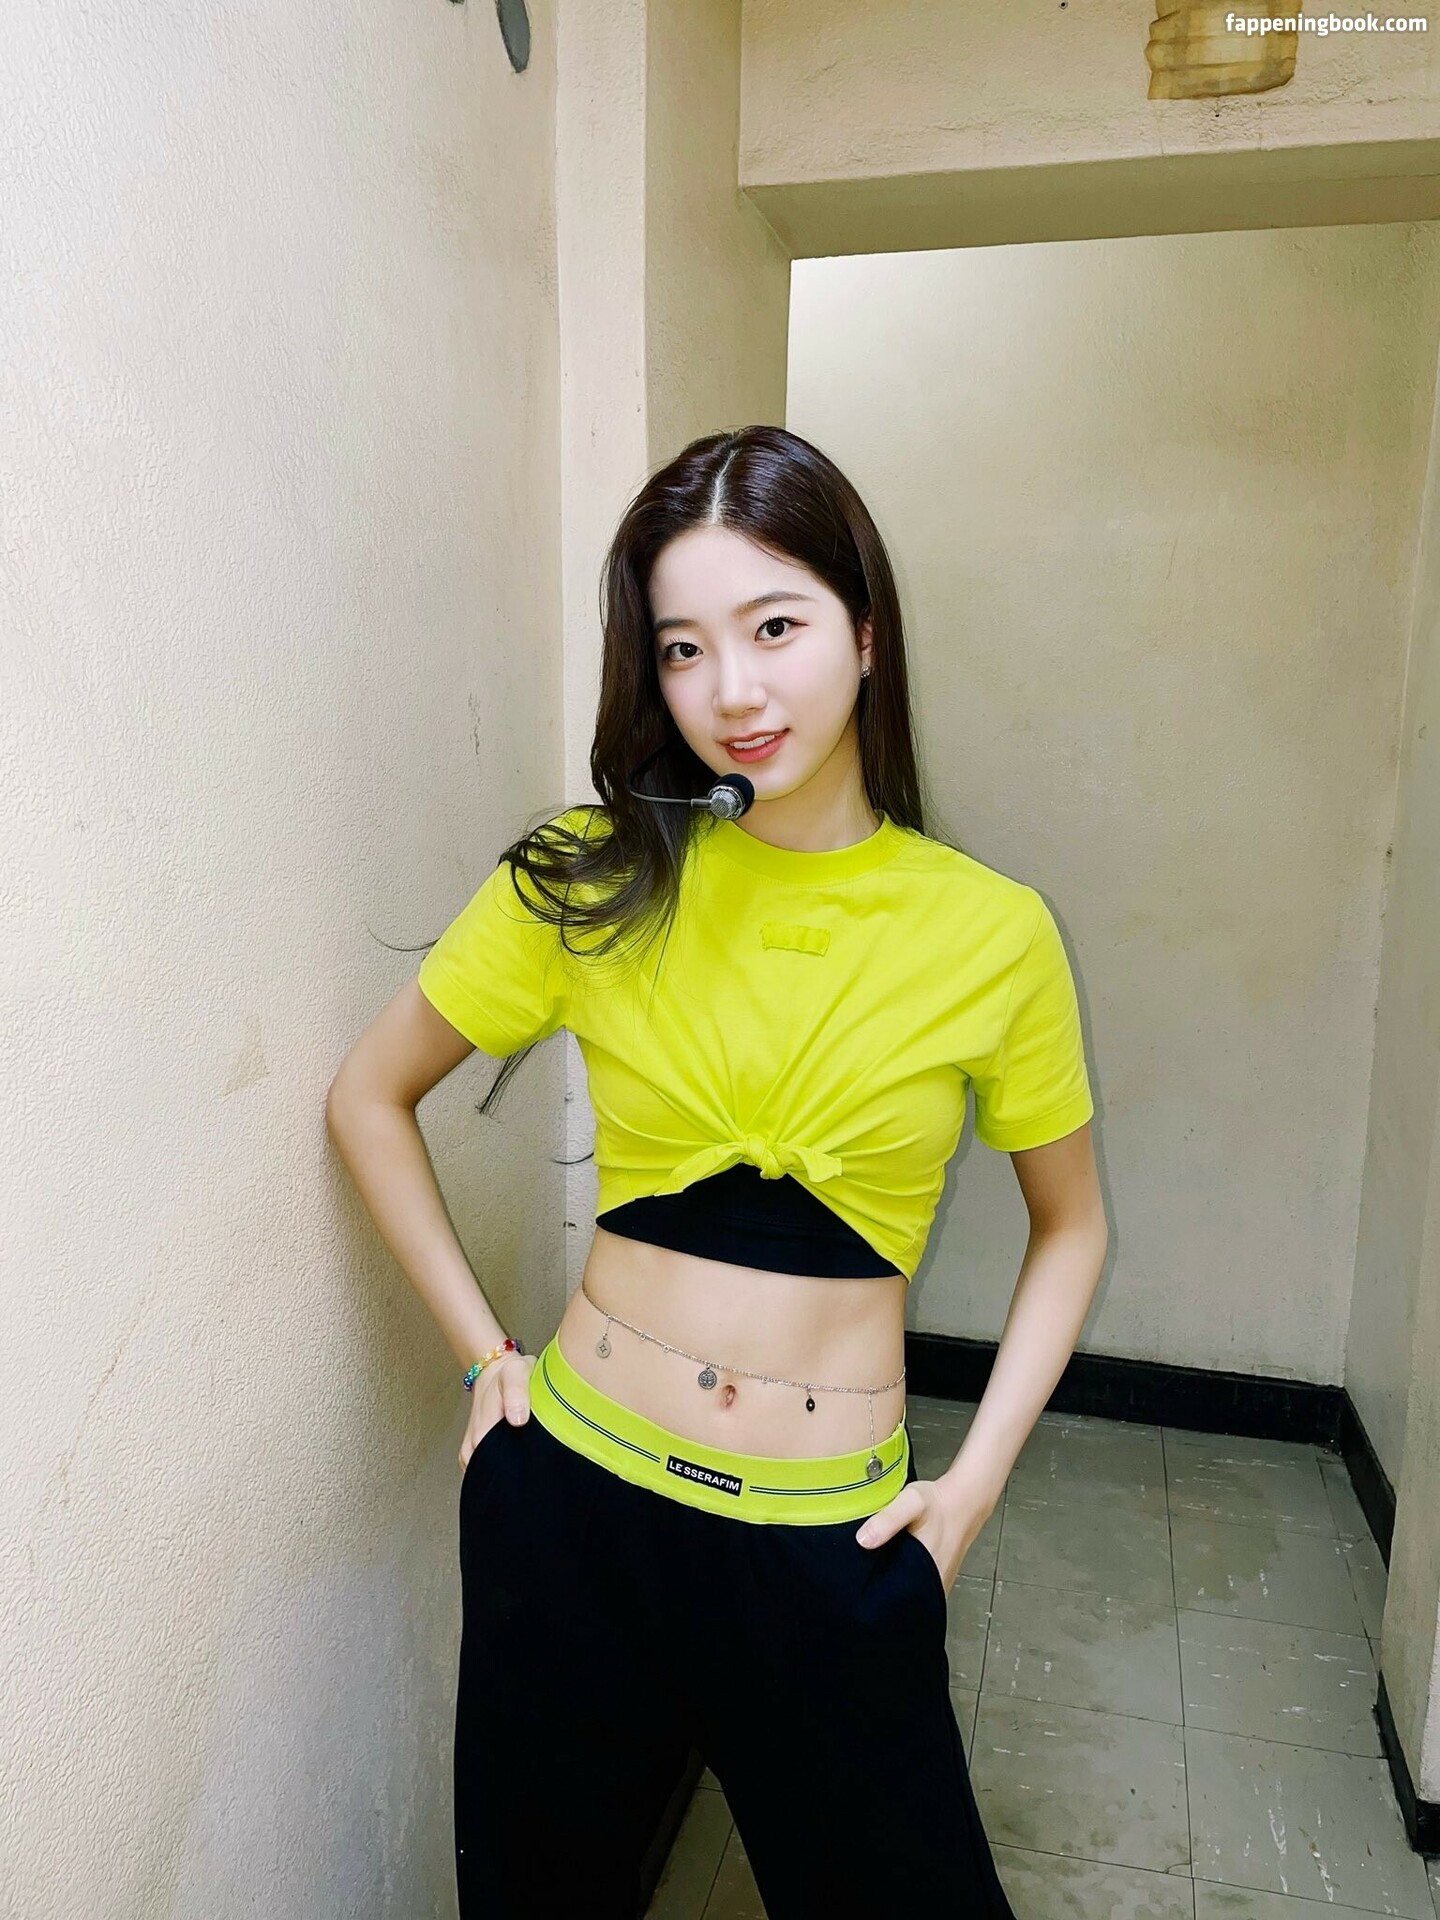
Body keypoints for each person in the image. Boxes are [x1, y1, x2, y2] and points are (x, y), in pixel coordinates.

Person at [324, 425, 1109, 1919]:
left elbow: (1068, 1227)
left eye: (775, 627)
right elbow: (370, 1096)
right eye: (683, 648)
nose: (732, 691)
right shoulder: (600, 870)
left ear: (867, 633)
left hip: (829, 1538)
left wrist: (972, 1490)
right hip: (576, 1506)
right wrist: (486, 1356)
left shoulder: (991, 932)